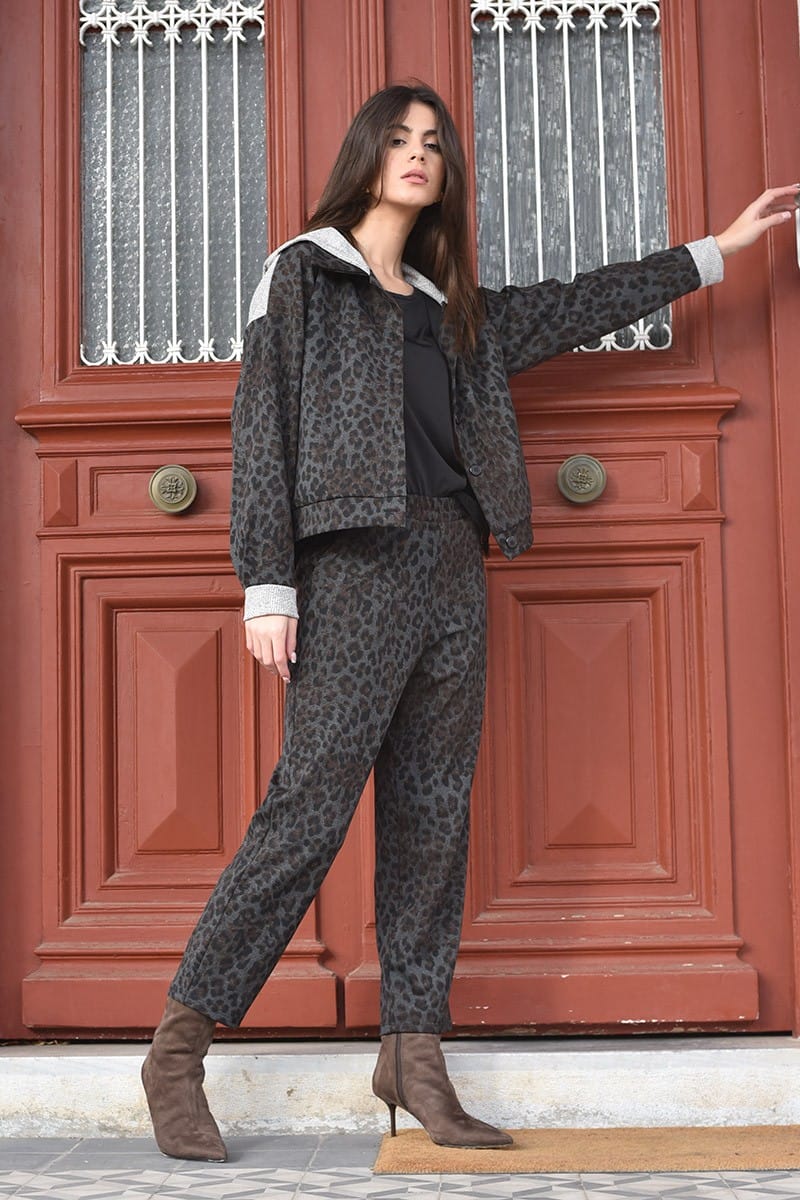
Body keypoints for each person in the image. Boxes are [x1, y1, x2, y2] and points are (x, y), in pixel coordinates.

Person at [140, 81, 798, 1162]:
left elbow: (581, 302)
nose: (417, 154)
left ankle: (414, 1055)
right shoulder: (303, 274)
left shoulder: (456, 309)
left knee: (432, 818)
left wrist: (713, 252)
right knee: (308, 812)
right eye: (399, 139)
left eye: (433, 144)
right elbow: (261, 428)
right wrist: (267, 584)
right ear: (365, 155)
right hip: (350, 568)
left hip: (452, 562)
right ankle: (179, 1050)